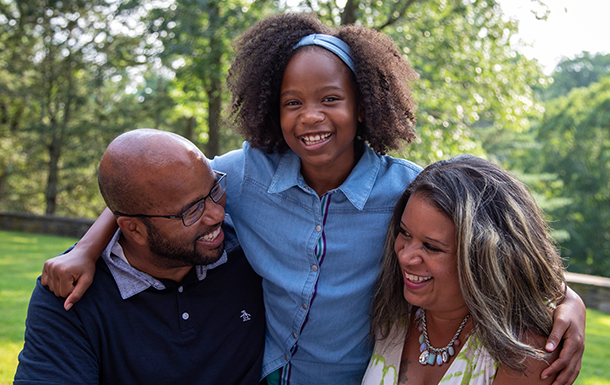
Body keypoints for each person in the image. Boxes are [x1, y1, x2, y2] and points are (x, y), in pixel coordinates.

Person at [40, 13, 585, 385]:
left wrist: (567, 299)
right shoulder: (245, 174)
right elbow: (151, 187)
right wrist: (86, 250)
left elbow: (491, 239)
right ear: (271, 110)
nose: (311, 116)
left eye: (330, 99)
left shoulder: (408, 191)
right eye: (291, 102)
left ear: (366, 105)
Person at [15, 129, 265, 385]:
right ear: (133, 229)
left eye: (214, 190)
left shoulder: (249, 245)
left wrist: (86, 247)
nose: (217, 215)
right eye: (191, 211)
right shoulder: (71, 293)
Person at [362, 155, 574, 385]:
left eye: (431, 247)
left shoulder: (525, 351)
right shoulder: (392, 313)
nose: (404, 256)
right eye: (404, 233)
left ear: (485, 257)